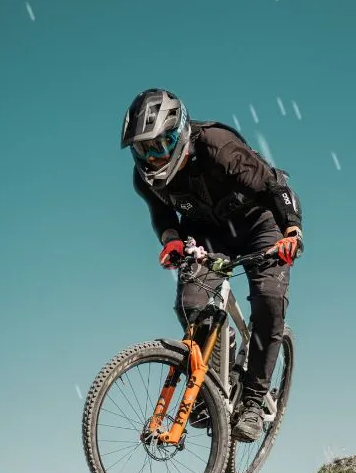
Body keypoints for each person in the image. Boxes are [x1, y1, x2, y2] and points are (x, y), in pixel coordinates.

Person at [121, 88, 303, 442]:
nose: (153, 158)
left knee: (268, 299)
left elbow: (274, 186)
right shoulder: (143, 178)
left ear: (180, 132)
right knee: (191, 306)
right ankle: (216, 379)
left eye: (160, 145)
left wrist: (292, 230)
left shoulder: (219, 147)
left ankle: (252, 402)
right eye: (144, 149)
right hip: (207, 234)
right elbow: (161, 214)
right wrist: (171, 239)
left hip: (260, 226)